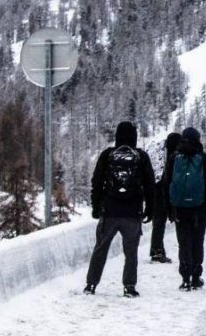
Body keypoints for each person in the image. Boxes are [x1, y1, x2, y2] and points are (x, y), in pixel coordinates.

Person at [84, 121, 157, 297]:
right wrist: (150, 209)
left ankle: (91, 284)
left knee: (100, 248)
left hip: (109, 211)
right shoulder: (141, 157)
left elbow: (97, 183)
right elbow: (149, 185)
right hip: (132, 213)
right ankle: (129, 286)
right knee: (131, 252)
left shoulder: (107, 155)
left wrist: (96, 207)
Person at [164, 126, 206, 291]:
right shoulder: (204, 158)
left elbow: (167, 185)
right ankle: (196, 276)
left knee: (184, 243)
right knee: (198, 242)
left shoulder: (174, 158)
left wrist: (169, 210)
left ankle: (185, 277)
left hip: (180, 209)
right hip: (199, 209)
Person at [149, 132, 180, 264]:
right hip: (164, 189)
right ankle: (157, 250)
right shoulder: (174, 155)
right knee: (161, 221)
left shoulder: (159, 152)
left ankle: (156, 250)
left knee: (158, 221)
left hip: (157, 189)